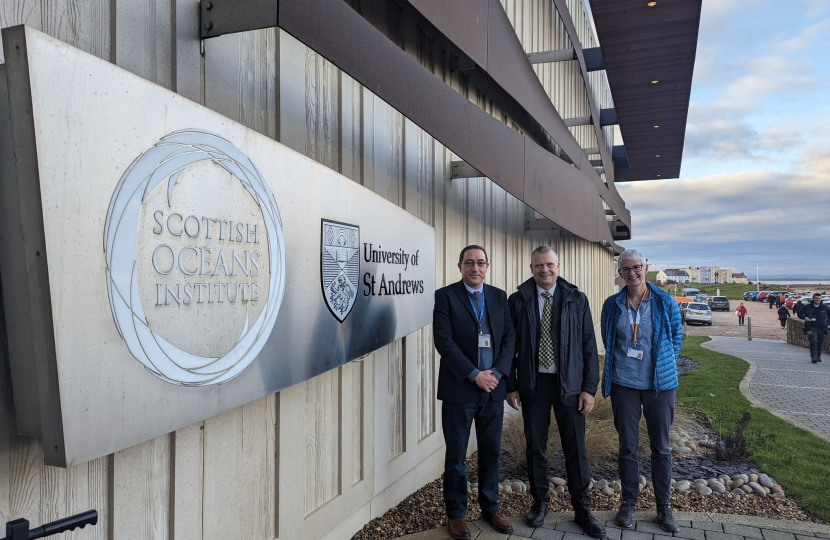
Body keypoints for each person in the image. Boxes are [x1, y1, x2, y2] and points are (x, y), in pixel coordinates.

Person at [506, 246, 605, 537]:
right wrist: (511, 385)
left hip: (570, 387)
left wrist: (589, 389)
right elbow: (509, 347)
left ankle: (582, 510)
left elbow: (589, 346)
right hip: (533, 386)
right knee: (535, 447)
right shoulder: (519, 300)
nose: (544, 270)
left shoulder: (577, 299)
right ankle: (540, 503)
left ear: (558, 266)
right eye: (539, 265)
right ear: (531, 267)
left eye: (549, 264)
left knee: (575, 449)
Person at [433, 245, 516, 539]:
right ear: (460, 266)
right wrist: (474, 374)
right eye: (469, 263)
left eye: (480, 263)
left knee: (491, 452)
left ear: (487, 266)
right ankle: (456, 513)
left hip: (492, 388)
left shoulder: (498, 296)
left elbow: (509, 339)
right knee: (456, 455)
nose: (475, 268)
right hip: (460, 389)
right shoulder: (445, 296)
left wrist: (496, 373)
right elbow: (443, 341)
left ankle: (490, 507)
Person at [599, 249, 682, 533]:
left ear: (645, 268)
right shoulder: (612, 305)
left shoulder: (664, 301)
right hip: (624, 386)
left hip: (659, 387)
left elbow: (675, 337)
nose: (631, 273)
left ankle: (664, 507)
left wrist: (663, 365)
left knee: (661, 447)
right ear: (620, 273)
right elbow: (609, 339)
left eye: (636, 268)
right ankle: (628, 503)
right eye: (625, 270)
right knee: (627, 448)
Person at [797, 293, 830, 364]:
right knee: (813, 341)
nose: (818, 300)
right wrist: (804, 317)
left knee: (819, 343)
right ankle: (813, 357)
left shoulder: (825, 307)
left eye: (819, 298)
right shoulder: (807, 307)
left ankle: (818, 356)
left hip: (822, 328)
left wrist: (827, 323)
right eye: (816, 298)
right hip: (810, 328)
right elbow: (799, 313)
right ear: (813, 299)